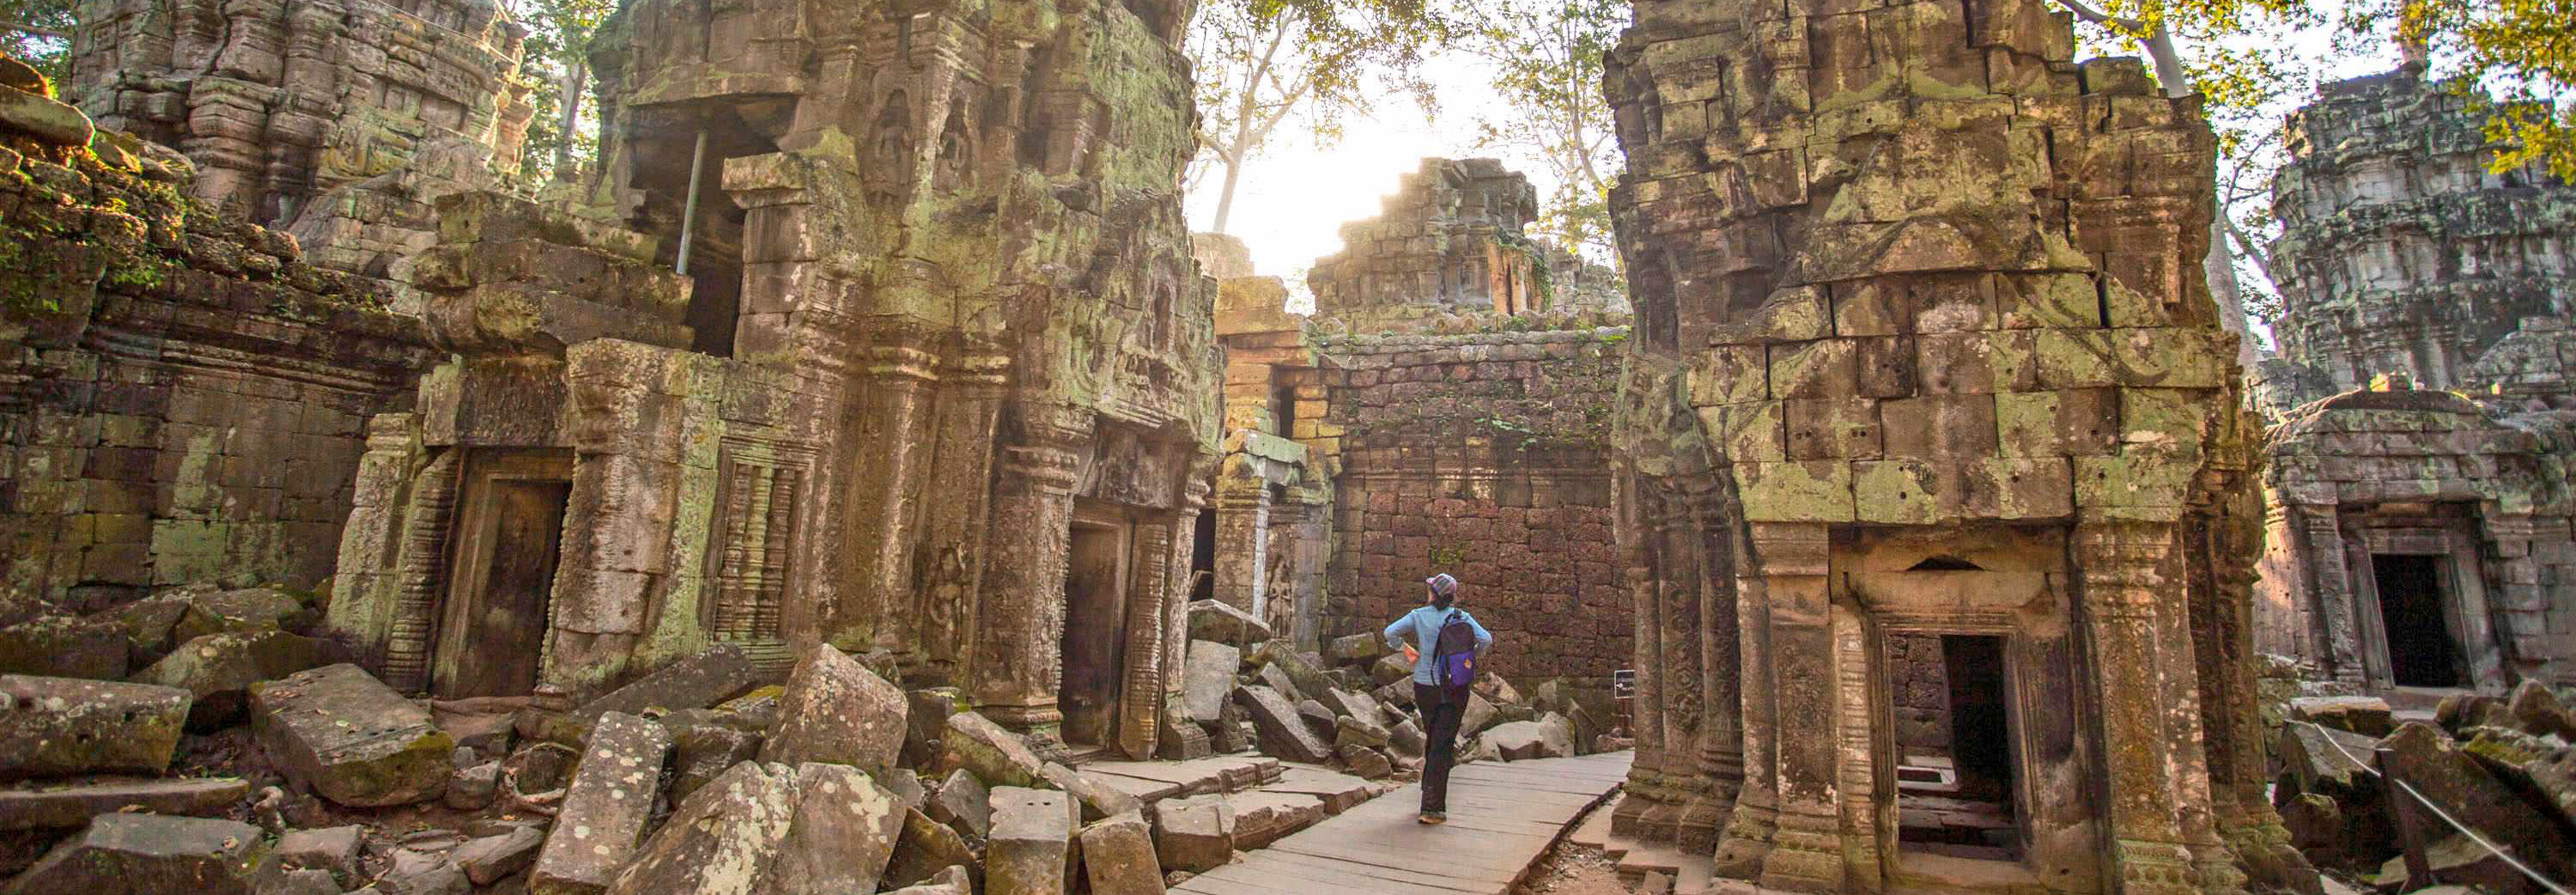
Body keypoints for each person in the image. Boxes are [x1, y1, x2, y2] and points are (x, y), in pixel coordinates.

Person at [1382, 572, 1492, 825]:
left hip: (1425, 687)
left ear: (1433, 593)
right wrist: (1472, 656)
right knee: (1443, 743)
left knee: (1434, 737)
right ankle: (1432, 807)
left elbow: (1390, 633)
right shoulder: (1462, 617)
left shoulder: (1419, 616)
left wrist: (1406, 650)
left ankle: (1428, 790)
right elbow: (1486, 639)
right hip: (1455, 687)